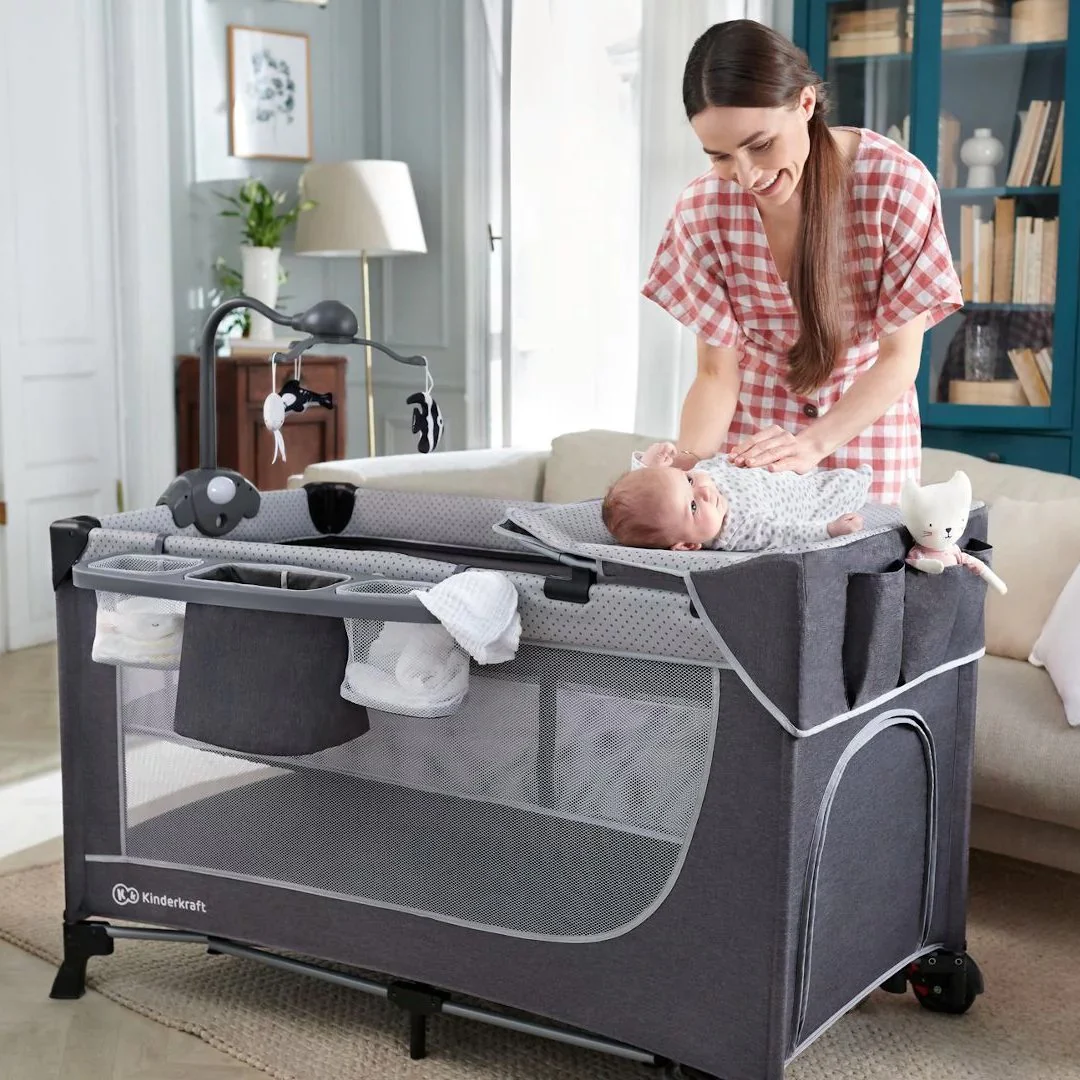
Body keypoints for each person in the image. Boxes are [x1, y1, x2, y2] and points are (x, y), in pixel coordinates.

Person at [641, 20, 963, 505]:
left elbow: (899, 359)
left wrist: (812, 445)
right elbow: (716, 374)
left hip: (867, 444)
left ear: (806, 103)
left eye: (760, 145)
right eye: (720, 156)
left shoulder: (895, 186)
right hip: (753, 455)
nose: (747, 175)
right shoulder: (702, 210)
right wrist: (682, 470)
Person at [601, 439, 869, 551]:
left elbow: (651, 492)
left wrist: (649, 465)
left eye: (689, 479)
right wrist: (828, 530)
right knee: (849, 485)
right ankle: (862, 480)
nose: (704, 491)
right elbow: (785, 535)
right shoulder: (737, 530)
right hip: (808, 498)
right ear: (687, 545)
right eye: (693, 507)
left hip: (780, 465)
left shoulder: (698, 482)